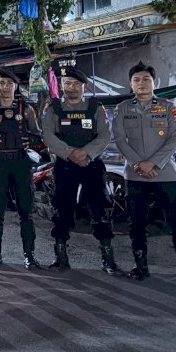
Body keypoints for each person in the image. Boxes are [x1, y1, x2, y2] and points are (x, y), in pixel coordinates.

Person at [112, 62, 176, 284]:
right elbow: (120, 140)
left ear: (154, 82)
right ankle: (140, 266)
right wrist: (138, 164)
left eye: (146, 79)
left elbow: (175, 138)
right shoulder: (122, 109)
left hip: (166, 173)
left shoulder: (169, 107)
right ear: (131, 84)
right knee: (137, 223)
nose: (141, 83)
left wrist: (154, 164)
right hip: (135, 174)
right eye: (137, 79)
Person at [41, 67, 118, 273]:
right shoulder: (53, 107)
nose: (71, 88)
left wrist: (86, 153)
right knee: (61, 207)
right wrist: (70, 153)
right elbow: (48, 135)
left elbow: (104, 135)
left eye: (76, 84)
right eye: (67, 83)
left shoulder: (95, 107)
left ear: (84, 86)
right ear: (62, 86)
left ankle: (107, 258)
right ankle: (61, 257)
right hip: (65, 165)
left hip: (91, 164)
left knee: (100, 208)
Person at [0, 69, 42, 269]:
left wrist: (29, 140)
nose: (5, 87)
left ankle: (29, 255)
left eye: (9, 84)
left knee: (26, 212)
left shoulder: (26, 109)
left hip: (21, 163)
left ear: (16, 87)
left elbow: (37, 135)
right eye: (1, 83)